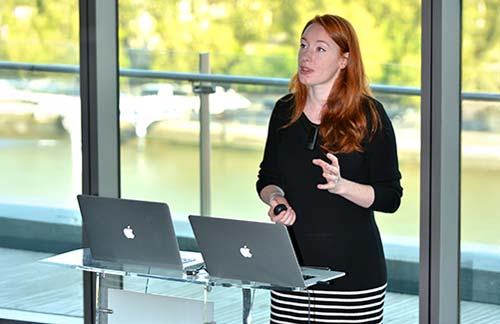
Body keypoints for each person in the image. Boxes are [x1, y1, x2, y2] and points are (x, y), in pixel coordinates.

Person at [256, 14, 403, 324]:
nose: (306, 55)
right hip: (292, 272)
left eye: (321, 49)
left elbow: (390, 198)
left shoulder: (370, 116)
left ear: (344, 60)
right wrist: (276, 200)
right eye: (303, 45)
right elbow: (267, 178)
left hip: (354, 278)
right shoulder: (285, 110)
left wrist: (342, 186)